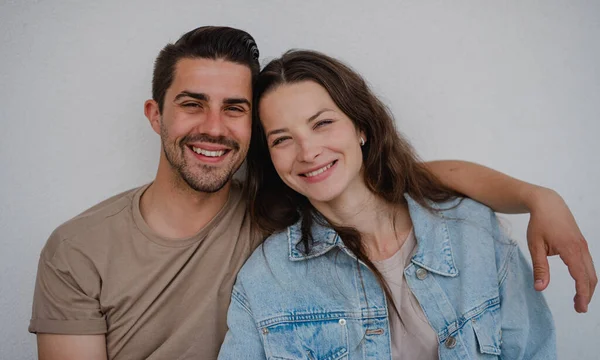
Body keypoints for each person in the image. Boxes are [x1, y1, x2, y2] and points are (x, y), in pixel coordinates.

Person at [28, 27, 592, 360]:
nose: (214, 128)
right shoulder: (82, 249)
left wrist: (538, 195)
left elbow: (414, 175)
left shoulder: (464, 228)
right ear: (155, 114)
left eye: (235, 109)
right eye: (192, 103)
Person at [218, 50, 557, 359]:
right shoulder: (265, 279)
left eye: (322, 123)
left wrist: (540, 197)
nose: (308, 152)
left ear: (361, 127)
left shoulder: (474, 231)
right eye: (282, 139)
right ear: (270, 159)